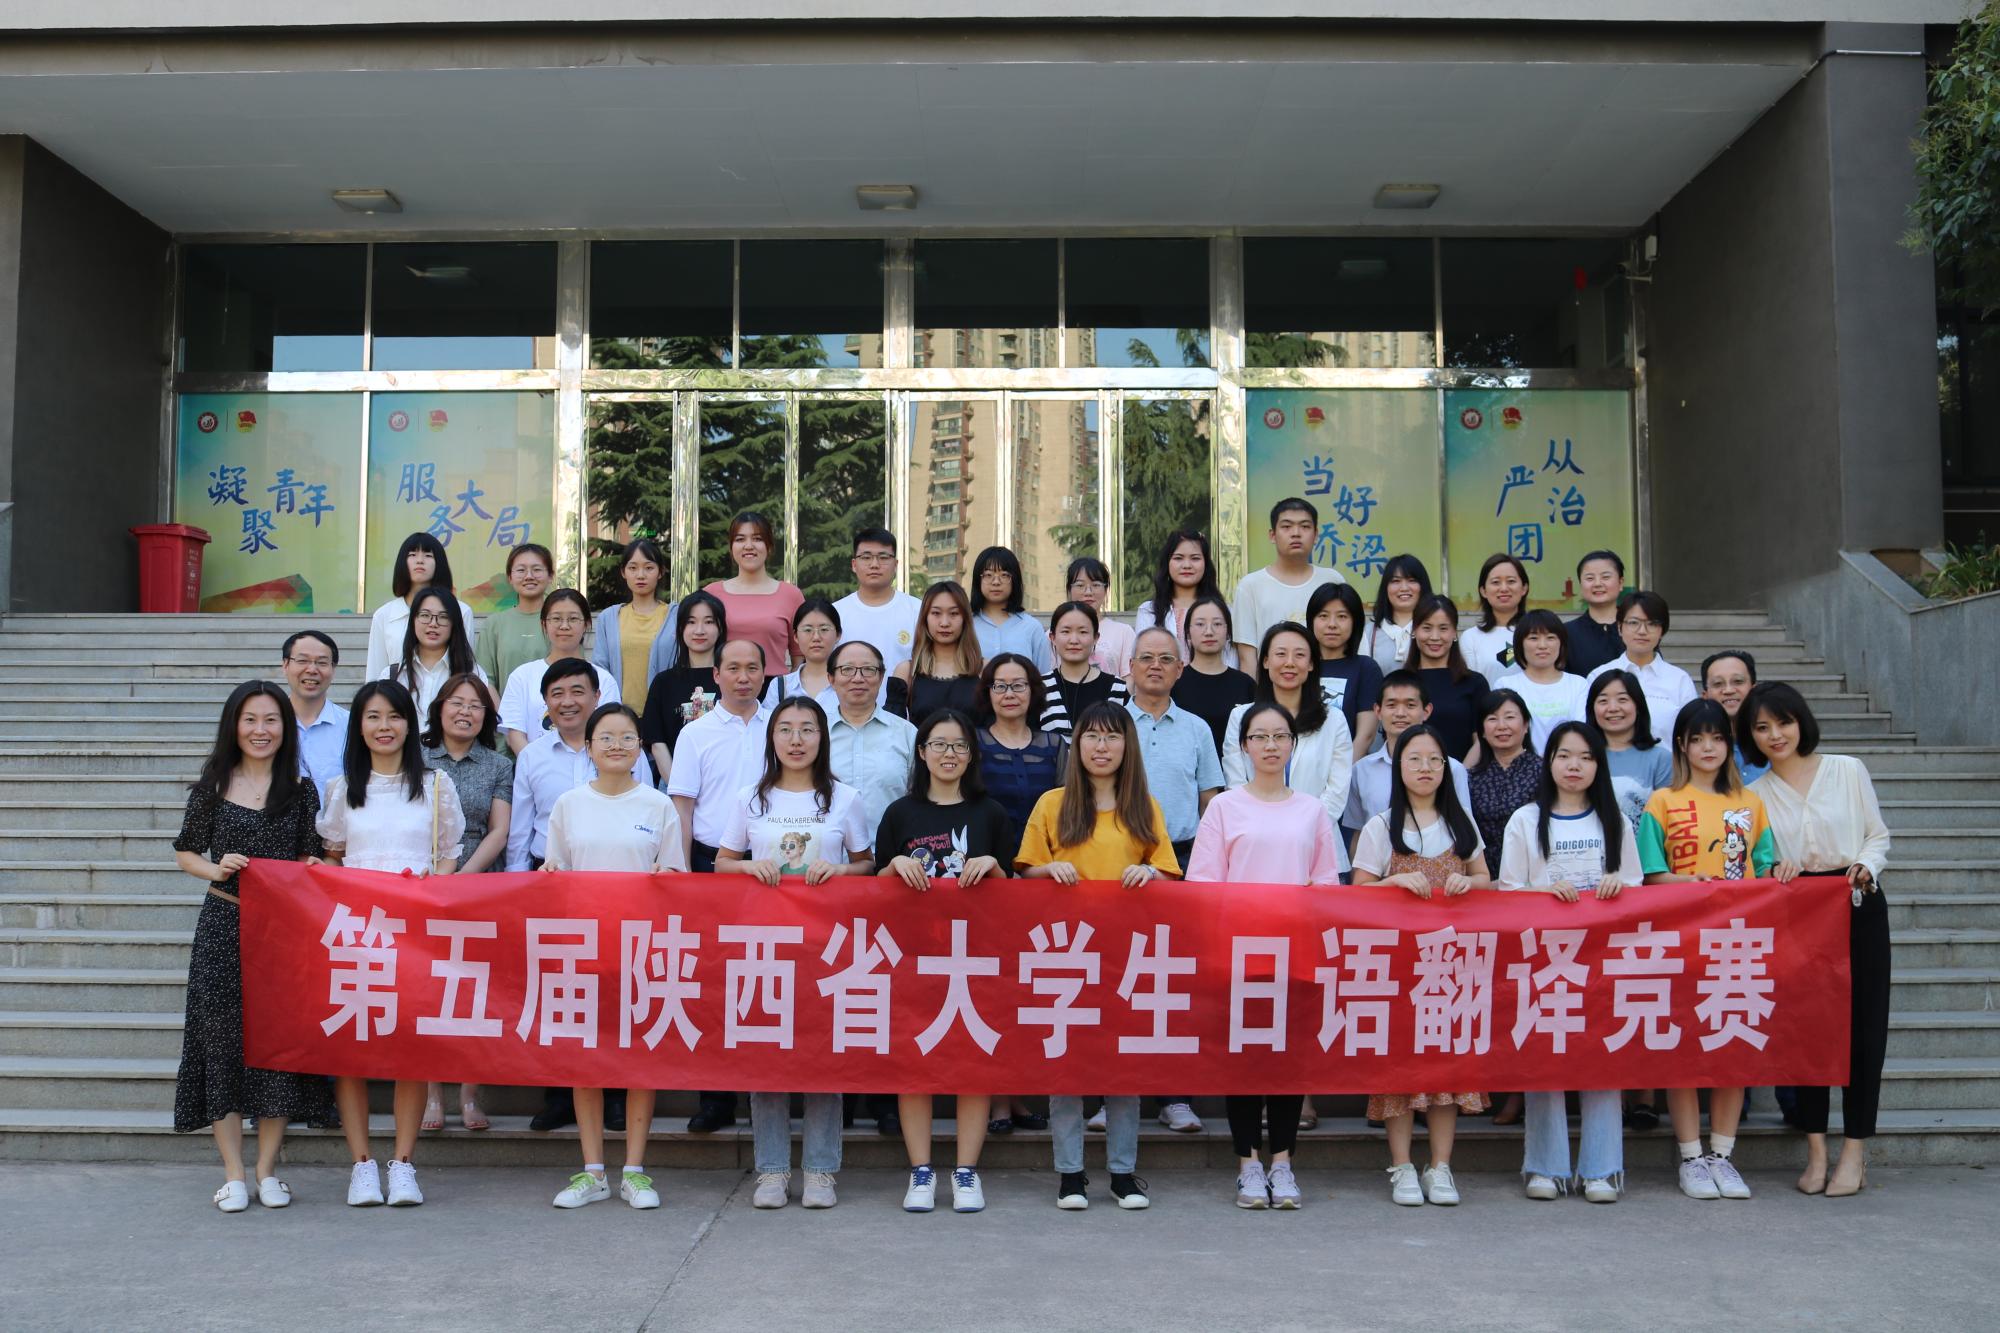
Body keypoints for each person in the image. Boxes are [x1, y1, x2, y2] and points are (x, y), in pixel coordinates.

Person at [172, 681, 337, 1213]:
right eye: (250, 720)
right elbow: (186, 853)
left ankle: (267, 1170)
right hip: (224, 925)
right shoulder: (213, 787)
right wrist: (216, 868)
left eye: (271, 720)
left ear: (285, 728)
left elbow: (312, 857)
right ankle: (234, 1174)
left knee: (277, 1047)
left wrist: (315, 865)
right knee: (220, 1045)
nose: (260, 730)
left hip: (283, 935)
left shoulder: (301, 791)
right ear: (234, 726)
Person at [1017, 702, 1181, 1213]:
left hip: (1125, 958)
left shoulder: (1144, 807)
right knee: (1066, 1068)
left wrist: (1149, 874)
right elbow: (1024, 870)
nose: (1101, 747)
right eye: (1091, 736)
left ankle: (1123, 1173)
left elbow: (1169, 872)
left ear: (1128, 746)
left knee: (1123, 1069)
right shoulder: (1052, 804)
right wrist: (1050, 871)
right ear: (1077, 745)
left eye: (1112, 737)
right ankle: (1070, 1174)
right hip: (1065, 956)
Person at [717, 697, 872, 1210]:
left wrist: (841, 871)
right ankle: (772, 1170)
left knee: (822, 1055)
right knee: (767, 1056)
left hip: (826, 946)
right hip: (763, 945)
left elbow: (867, 864)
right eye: (785, 729)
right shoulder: (749, 798)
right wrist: (748, 867)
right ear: (772, 738)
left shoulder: (845, 798)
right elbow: (721, 863)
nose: (797, 739)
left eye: (808, 729)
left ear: (822, 738)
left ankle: (821, 1169)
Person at [1187, 701, 1343, 1209]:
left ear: (1293, 745)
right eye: (1260, 736)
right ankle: (1248, 1165)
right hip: (1239, 955)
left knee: (1288, 1063)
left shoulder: (1312, 810)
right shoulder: (1224, 808)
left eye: (1280, 736)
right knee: (1244, 1062)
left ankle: (1283, 1163)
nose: (1271, 745)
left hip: (1295, 955)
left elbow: (1326, 884)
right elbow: (1204, 883)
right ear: (1244, 746)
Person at [317, 679, 465, 1208]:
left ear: (410, 723)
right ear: (359, 727)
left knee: (411, 1049)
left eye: (394, 716)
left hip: (416, 933)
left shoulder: (436, 785)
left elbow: (448, 853)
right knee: (351, 1051)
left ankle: (403, 1163)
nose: (384, 726)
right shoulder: (342, 789)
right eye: (373, 717)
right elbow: (334, 855)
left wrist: (434, 889)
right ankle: (361, 1165)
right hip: (356, 935)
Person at [1742, 682, 1892, 1198]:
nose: (1775, 735)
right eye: (1762, 727)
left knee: (1863, 1030)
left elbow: (1877, 834)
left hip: (1856, 900)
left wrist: (1866, 865)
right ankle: (1816, 1151)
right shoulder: (1755, 795)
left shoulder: (1847, 770)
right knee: (1806, 1033)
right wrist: (1773, 869)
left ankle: (1854, 1151)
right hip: (1798, 913)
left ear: (1801, 721)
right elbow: (1757, 862)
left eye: (1783, 722)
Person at [542, 703, 687, 1212]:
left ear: (640, 747)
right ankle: (593, 1171)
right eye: (606, 737)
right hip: (582, 949)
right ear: (589, 747)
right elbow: (554, 873)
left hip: (642, 949)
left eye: (627, 737)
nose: (617, 746)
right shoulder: (569, 804)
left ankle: (635, 1171)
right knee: (586, 1059)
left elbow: (676, 876)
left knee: (639, 1059)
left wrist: (664, 883)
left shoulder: (658, 805)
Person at [503, 658, 654, 1133]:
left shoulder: (623, 747)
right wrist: (518, 887)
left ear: (595, 696)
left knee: (616, 995)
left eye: (577, 691)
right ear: (545, 704)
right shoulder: (532, 756)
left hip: (621, 888)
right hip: (553, 883)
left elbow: (647, 814)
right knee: (561, 992)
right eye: (557, 694)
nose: (568, 702)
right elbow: (519, 827)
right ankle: (560, 1095)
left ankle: (614, 1096)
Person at [874, 708, 1013, 1214]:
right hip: (913, 958)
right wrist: (894, 865)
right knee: (915, 1065)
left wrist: (993, 866)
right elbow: (874, 889)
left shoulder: (991, 813)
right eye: (939, 744)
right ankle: (921, 1170)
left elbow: (1015, 894)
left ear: (971, 755)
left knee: (973, 1065)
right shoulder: (899, 814)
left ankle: (966, 1171)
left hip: (975, 960)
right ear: (922, 751)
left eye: (958, 746)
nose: (948, 754)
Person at [1496, 721, 1642, 1203]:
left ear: (1598, 765)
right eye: (1564, 755)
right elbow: (1507, 891)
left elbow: (1637, 888)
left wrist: (1618, 886)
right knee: (1544, 1058)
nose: (1574, 765)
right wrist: (1542, 892)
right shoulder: (1525, 820)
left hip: (1602, 960)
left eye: (1585, 756)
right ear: (1550, 762)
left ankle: (1601, 1168)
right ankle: (1546, 1167)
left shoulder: (1615, 821)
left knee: (1602, 1058)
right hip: (1544, 959)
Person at [1638, 698, 1776, 1202]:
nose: (1708, 747)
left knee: (1732, 1043)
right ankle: (1691, 1157)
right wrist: (1688, 883)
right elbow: (1649, 875)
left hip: (1739, 941)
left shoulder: (1751, 803)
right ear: (1681, 745)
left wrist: (1781, 871)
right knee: (1684, 1048)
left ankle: (1722, 1155)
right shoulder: (1661, 801)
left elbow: (1766, 868)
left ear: (1729, 743)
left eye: (1717, 737)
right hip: (1680, 939)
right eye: (1697, 738)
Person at [1351, 724, 1491, 1207]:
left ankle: (1441, 1166)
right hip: (1396, 966)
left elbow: (1488, 880)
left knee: (1444, 1066)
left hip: (1450, 965)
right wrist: (1393, 883)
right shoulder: (1380, 825)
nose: (1425, 768)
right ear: (1399, 767)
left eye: (1434, 759)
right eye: (1414, 759)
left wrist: (1470, 884)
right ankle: (1402, 1166)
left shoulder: (1460, 825)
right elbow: (1356, 892)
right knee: (1399, 1066)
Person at [666, 638, 772, 1135]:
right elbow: (683, 807)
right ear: (716, 675)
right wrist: (684, 872)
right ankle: (716, 1098)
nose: (743, 677)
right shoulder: (696, 733)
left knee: (768, 975)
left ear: (765, 673)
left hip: (772, 867)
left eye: (752, 668)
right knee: (714, 982)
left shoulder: (782, 725)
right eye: (733, 668)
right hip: (713, 865)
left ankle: (768, 1091)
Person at [418, 672, 512, 1132]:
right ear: (439, 708)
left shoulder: (498, 765)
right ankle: (432, 1094)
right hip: (422, 880)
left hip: (478, 881)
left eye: (475, 705)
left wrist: (462, 878)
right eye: (457, 702)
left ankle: (469, 1095)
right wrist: (438, 879)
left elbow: (499, 830)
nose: (465, 712)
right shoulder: (415, 758)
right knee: (427, 989)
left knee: (476, 991)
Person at [1220, 622, 1351, 873]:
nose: (1289, 663)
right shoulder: (1240, 717)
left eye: (1299, 655)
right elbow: (1236, 783)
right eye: (1280, 654)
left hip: (1318, 849)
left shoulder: (1334, 720)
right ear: (1265, 661)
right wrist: (1271, 832)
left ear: (1311, 664)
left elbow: (1337, 791)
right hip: (1257, 849)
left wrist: (1301, 831)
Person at [1343, 671, 1474, 842]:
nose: (1400, 713)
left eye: (1410, 705)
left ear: (1426, 711)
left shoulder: (1451, 768)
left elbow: (1462, 830)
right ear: (1378, 710)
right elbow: (1359, 834)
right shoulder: (1361, 770)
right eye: (1391, 705)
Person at [500, 588, 623, 755]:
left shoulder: (604, 679)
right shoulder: (522, 676)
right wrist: (536, 765)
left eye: (573, 619)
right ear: (544, 624)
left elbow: (610, 732)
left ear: (586, 624)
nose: (564, 626)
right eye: (556, 618)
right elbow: (514, 734)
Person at [974, 653, 1068, 866]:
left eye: (1018, 686)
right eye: (1000, 686)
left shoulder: (1054, 745)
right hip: (987, 865)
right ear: (988, 692)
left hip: (1046, 865)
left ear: (1033, 690)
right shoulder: (973, 743)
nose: (1009, 694)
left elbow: (1068, 807)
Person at [1230, 497, 1345, 663]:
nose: (1296, 533)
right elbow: (1247, 657)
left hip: (1327, 678)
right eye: (1286, 526)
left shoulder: (1332, 579)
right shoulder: (1250, 586)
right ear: (1272, 535)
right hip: (1270, 679)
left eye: (1305, 526)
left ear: (1316, 535)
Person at [826, 639, 918, 837]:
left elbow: (920, 797)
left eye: (868, 670)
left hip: (892, 851)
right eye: (847, 669)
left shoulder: (907, 733)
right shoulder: (816, 733)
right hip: (828, 853)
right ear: (831, 679)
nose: (858, 678)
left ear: (881, 677)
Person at [1584, 590, 1697, 747]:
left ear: (1662, 631)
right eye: (1633, 623)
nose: (1642, 631)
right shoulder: (1598, 675)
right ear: (1619, 627)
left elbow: (1691, 733)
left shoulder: (1679, 680)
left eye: (1652, 624)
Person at [705, 510, 805, 677]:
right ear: (731, 547)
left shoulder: (790, 595)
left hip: (774, 688)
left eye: (757, 539)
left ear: (769, 546)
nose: (749, 546)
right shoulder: (711, 594)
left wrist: (789, 688)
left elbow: (799, 655)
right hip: (723, 687)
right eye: (740, 539)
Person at [639, 589, 725, 781]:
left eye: (709, 622)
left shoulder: (731, 680)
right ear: (680, 629)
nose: (699, 630)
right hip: (674, 782)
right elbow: (657, 742)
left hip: (725, 782)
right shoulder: (664, 682)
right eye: (691, 622)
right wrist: (678, 787)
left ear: (720, 628)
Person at [366, 532, 476, 684]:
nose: (419, 560)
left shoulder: (461, 612)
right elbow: (375, 673)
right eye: (412, 555)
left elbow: (466, 668)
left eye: (428, 555)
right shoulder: (384, 615)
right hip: (398, 697)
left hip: (448, 695)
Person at [590, 537, 676, 710]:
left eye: (649, 568)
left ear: (660, 572)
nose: (640, 575)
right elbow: (600, 670)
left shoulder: (675, 616)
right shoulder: (609, 618)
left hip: (664, 713)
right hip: (618, 715)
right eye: (633, 568)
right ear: (623, 572)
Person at [1585, 669, 1672, 832]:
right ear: (1592, 709)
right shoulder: (1584, 757)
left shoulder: (1661, 758)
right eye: (1603, 701)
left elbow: (1669, 817)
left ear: (1638, 705)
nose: (1613, 708)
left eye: (1622, 699)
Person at [1171, 593, 1256, 759]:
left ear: (1228, 632)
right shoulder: (1174, 682)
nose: (1209, 632)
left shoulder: (1245, 684)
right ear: (1187, 633)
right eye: (1200, 624)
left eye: (1217, 624)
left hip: (1235, 772)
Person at [1467, 689, 1541, 878]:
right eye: (1492, 719)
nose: (1502, 726)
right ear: (1482, 731)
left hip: (1534, 877)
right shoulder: (1471, 777)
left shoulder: (1544, 771)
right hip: (1486, 878)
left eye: (1509, 717)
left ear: (1525, 725)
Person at [1491, 609, 1588, 754]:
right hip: (1519, 765)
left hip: (1566, 765)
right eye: (1533, 638)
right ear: (1520, 644)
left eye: (1550, 637)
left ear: (1561, 643)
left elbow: (1580, 733)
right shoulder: (1505, 685)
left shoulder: (1578, 684)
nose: (1542, 645)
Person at [1406, 593, 1489, 760]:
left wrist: (1460, 773)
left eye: (1443, 628)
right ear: (1414, 631)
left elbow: (1482, 740)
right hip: (1410, 773)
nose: (1435, 637)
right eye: (1427, 628)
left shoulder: (1474, 683)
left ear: (1455, 633)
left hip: (1464, 773)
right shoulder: (1401, 682)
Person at [385, 585, 487, 720]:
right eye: (425, 615)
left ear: (454, 623)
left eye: (443, 617)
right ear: (413, 620)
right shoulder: (392, 675)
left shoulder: (474, 673)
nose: (433, 623)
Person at [891, 579, 983, 728]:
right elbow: (892, 731)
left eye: (954, 613)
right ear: (925, 618)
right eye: (936, 613)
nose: (944, 623)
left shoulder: (984, 669)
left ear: (965, 618)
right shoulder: (907, 671)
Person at [1134, 528, 1232, 667]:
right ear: (1167, 563)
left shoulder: (1223, 611)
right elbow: (1144, 661)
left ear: (1206, 563)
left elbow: (1230, 659)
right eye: (1178, 558)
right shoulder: (1148, 611)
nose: (1187, 565)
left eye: (1195, 558)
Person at [832, 527, 922, 676]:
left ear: (896, 565)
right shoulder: (835, 613)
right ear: (854, 564)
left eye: (884, 557)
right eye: (866, 557)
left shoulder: (917, 611)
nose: (874, 564)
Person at [1308, 581, 1383, 758]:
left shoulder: (1366, 668)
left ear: (1355, 622)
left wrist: (1342, 771)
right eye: (1323, 616)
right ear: (1311, 621)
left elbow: (1365, 736)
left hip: (1347, 766)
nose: (1332, 624)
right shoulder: (1300, 665)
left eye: (1342, 616)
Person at [1039, 601, 1131, 734]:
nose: (1074, 640)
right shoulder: (1039, 688)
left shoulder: (1118, 688)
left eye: (1083, 632)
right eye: (1065, 631)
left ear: (1095, 638)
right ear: (1052, 637)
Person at [475, 543, 554, 687]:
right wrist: (502, 704)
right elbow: (485, 679)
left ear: (550, 576)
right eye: (521, 570)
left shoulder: (560, 622)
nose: (529, 576)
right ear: (510, 578)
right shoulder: (494, 624)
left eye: (537, 569)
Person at [281, 629, 346, 800]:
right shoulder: (268, 726)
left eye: (322, 662)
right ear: (285, 665)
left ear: (333, 668)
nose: (312, 669)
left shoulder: (351, 726)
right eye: (302, 661)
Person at [969, 545, 1053, 673]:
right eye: (988, 575)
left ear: (1014, 580)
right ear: (978, 580)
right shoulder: (967, 626)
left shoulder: (1032, 627)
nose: (996, 582)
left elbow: (1044, 677)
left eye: (1004, 575)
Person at [1458, 553, 1531, 680]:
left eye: (1511, 581)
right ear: (1483, 591)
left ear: (1524, 588)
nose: (1504, 588)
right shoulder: (1471, 637)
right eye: (1496, 582)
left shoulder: (1537, 633)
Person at [1701, 650, 1768, 783]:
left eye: (1737, 681)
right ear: (1705, 696)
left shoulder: (1774, 740)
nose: (1729, 690)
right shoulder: (1697, 748)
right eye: (1718, 684)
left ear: (1754, 689)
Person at [1360, 554, 1433, 674]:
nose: (1404, 588)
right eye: (1396, 581)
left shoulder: (1435, 630)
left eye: (1412, 580)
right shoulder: (1368, 633)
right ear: (1386, 588)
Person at [1064, 556, 1134, 678]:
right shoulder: (1055, 634)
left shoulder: (1124, 633)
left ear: (1106, 590)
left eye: (1096, 585)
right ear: (1069, 590)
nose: (1088, 592)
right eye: (1080, 585)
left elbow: (1130, 678)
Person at [768, 597, 842, 708]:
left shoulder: (849, 683)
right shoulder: (780, 686)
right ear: (795, 636)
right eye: (808, 630)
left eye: (824, 629)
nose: (816, 637)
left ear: (838, 635)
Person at [1565, 549, 1627, 677]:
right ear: (1581, 585)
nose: (1597, 583)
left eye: (1605, 577)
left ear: (1621, 583)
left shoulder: (1637, 628)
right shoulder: (1566, 633)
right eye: (1590, 578)